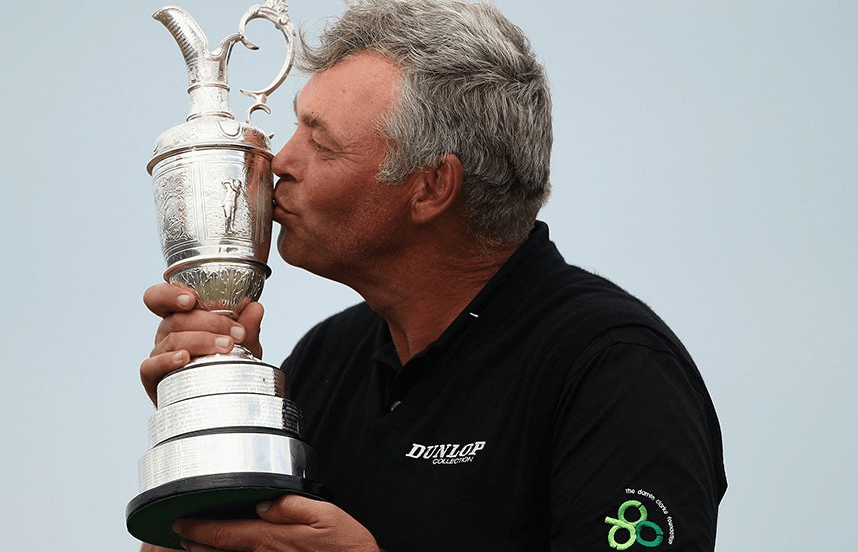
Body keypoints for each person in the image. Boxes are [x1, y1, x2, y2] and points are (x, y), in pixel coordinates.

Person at [139, 1, 727, 550]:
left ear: (431, 186)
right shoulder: (325, 361)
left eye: (321, 143)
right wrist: (203, 428)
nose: (281, 163)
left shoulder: (616, 369)